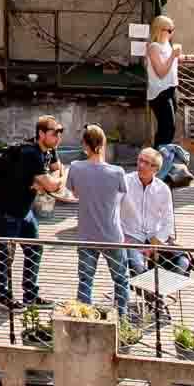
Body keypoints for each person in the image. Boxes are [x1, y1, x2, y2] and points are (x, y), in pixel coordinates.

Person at [0, 115, 67, 307]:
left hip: (24, 212)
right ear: (41, 134)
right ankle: (4, 297)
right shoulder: (31, 154)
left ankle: (30, 295)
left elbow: (57, 170)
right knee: (6, 256)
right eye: (53, 134)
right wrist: (51, 182)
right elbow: (51, 184)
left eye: (59, 134)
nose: (58, 138)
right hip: (6, 212)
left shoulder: (49, 150)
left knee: (34, 249)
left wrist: (50, 181)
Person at [70, 124, 131, 318]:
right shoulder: (118, 172)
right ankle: (122, 320)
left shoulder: (75, 168)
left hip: (86, 234)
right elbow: (123, 195)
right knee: (121, 280)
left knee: (85, 281)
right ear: (104, 144)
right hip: (112, 235)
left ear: (84, 145)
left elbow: (75, 193)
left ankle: (84, 320)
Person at [121, 146, 188, 277]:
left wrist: (154, 245)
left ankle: (159, 291)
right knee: (138, 267)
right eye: (139, 160)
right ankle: (154, 296)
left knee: (183, 262)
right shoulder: (124, 181)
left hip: (155, 238)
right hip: (130, 237)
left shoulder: (163, 189)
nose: (140, 165)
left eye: (146, 163)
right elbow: (112, 211)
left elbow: (168, 222)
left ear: (156, 169)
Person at [144, 15, 184, 151]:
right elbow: (161, 72)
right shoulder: (153, 47)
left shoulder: (167, 45)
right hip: (160, 92)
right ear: (160, 30)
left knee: (168, 128)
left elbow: (170, 62)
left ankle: (159, 160)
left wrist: (183, 57)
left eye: (173, 29)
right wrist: (173, 55)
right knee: (167, 127)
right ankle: (157, 160)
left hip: (172, 88)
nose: (172, 33)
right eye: (169, 30)